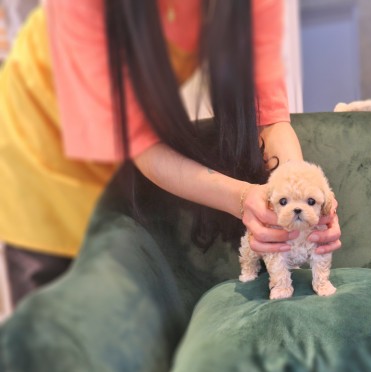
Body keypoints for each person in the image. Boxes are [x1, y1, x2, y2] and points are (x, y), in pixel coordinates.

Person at [0, 0, 341, 308]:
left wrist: (300, 190)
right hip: (49, 162)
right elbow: (142, 144)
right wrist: (243, 198)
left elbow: (270, 118)